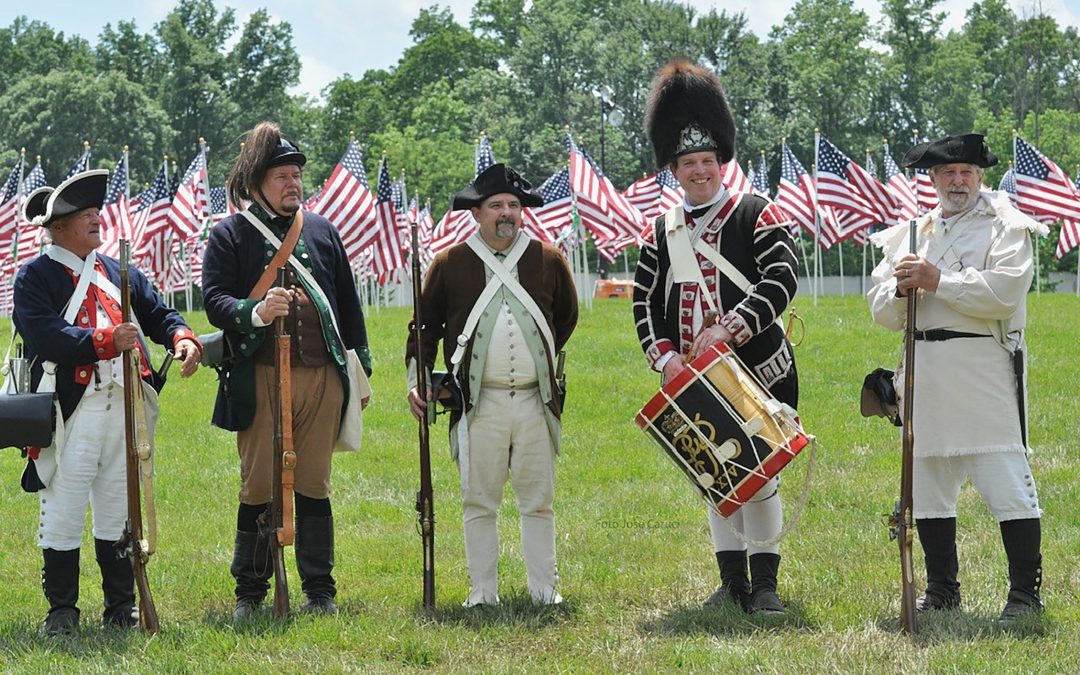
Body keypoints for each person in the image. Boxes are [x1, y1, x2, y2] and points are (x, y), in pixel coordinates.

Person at [633, 60, 800, 614]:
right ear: (674, 170)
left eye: (707, 161)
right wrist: (664, 360)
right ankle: (732, 585)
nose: (699, 171)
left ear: (721, 162)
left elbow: (782, 277)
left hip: (757, 369)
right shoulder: (661, 231)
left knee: (761, 474)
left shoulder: (757, 212)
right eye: (688, 164)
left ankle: (767, 585)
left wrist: (731, 327)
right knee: (716, 474)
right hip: (690, 377)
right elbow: (644, 302)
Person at [13, 170, 202, 635]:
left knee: (119, 507)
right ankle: (62, 610)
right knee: (65, 508)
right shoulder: (35, 277)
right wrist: (103, 340)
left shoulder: (118, 271)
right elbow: (44, 333)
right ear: (58, 228)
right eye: (84, 215)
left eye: (97, 212)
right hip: (70, 409)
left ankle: (121, 606)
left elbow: (158, 312)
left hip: (124, 406)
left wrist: (181, 337)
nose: (97, 219)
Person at [868, 133, 1046, 623]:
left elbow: (1004, 293)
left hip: (982, 368)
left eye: (967, 171)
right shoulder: (908, 234)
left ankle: (1025, 596)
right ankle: (943, 591)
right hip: (923, 371)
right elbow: (879, 308)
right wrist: (902, 291)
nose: (958, 180)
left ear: (981, 175)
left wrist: (937, 281)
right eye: (948, 173)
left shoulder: (1006, 225)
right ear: (933, 179)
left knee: (1007, 483)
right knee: (927, 486)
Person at [202, 122, 372, 618]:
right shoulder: (230, 233)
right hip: (259, 376)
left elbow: (347, 304)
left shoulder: (321, 230)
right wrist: (253, 311)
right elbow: (214, 301)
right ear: (257, 183)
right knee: (258, 486)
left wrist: (361, 371)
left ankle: (320, 590)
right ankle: (250, 594)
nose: (293, 183)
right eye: (282, 175)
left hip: (322, 377)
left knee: (314, 483)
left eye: (296, 174)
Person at [406, 163, 578, 607]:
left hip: (535, 401)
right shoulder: (450, 263)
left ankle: (545, 590)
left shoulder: (548, 257)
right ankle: (483, 593)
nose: (507, 213)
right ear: (477, 213)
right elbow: (423, 327)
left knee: (538, 501)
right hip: (478, 402)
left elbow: (566, 317)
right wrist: (418, 382)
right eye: (497, 205)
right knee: (479, 502)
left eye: (514, 205)